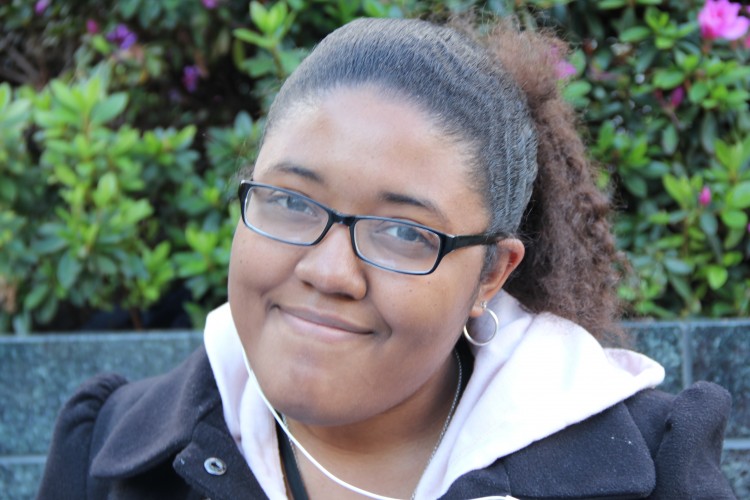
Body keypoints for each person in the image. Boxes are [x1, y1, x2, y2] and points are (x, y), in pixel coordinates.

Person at [37, 16, 735, 500]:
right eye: (291, 202)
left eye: (403, 232)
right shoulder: (112, 455)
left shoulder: (651, 471)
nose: (328, 271)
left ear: (491, 273)